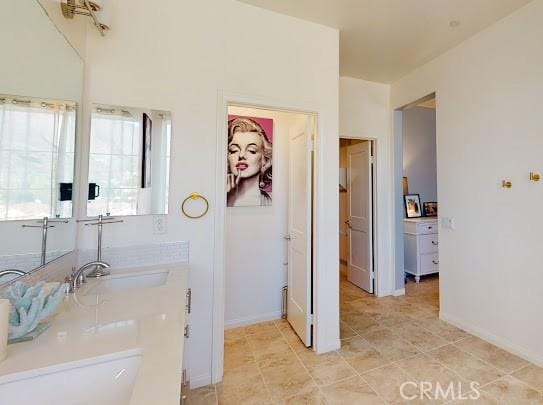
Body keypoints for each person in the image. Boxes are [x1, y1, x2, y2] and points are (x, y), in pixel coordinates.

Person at [227, 117, 272, 207]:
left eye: (251, 150)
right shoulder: (215, 197)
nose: (241, 155)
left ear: (265, 160)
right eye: (234, 150)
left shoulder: (274, 200)